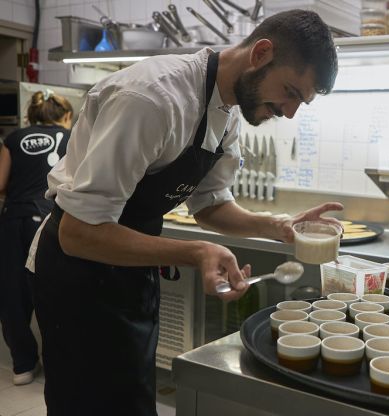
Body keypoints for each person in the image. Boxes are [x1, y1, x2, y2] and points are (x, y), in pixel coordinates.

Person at [27, 10, 341, 416]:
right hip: (77, 277)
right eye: (291, 92)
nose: (289, 111)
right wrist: (195, 253)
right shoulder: (152, 99)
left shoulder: (226, 110)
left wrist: (278, 227)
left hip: (129, 271)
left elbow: (210, 206)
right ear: (261, 53)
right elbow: (79, 232)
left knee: (134, 398)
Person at [0, 90, 72, 386]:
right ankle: (60, 364)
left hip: (13, 220)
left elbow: (0, 183)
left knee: (12, 295)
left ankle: (23, 365)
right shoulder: (71, 138)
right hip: (50, 222)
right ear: (66, 117)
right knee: (55, 293)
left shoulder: (14, 138)